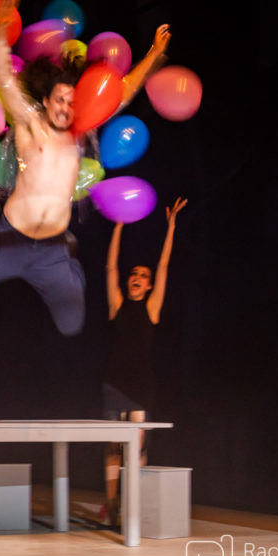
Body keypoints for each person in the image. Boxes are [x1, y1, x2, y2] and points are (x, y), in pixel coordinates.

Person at [0, 0, 171, 335]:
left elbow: (120, 94)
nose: (66, 107)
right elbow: (3, 77)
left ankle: (69, 255)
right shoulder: (30, 125)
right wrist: (1, 29)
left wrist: (153, 55)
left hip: (53, 252)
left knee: (71, 323)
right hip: (10, 241)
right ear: (46, 101)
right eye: (60, 99)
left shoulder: (80, 130)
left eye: (71, 101)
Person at [100, 197, 187, 527]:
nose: (136, 276)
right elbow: (110, 268)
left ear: (148, 284)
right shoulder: (117, 305)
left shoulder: (151, 309)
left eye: (142, 275)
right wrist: (119, 226)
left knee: (136, 448)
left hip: (140, 385)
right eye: (133, 274)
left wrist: (171, 229)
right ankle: (112, 506)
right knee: (111, 447)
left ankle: (133, 504)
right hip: (113, 382)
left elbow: (164, 268)